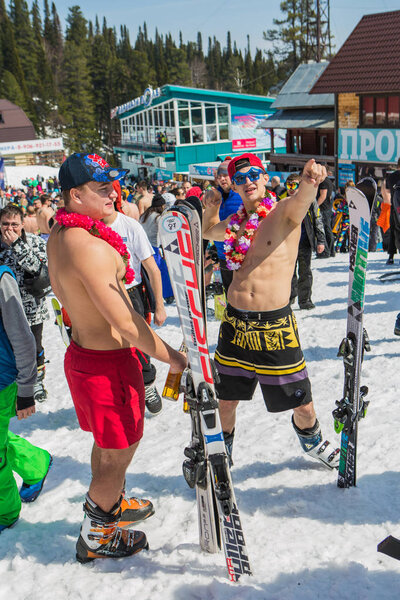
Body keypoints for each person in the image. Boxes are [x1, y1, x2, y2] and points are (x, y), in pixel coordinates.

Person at [47, 152, 186, 562]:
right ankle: (97, 535)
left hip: (88, 356)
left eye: (112, 184)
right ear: (74, 196)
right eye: (101, 188)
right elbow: (126, 322)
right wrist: (173, 358)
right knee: (120, 449)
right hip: (105, 365)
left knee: (108, 446)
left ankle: (111, 503)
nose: (113, 193)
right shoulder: (85, 245)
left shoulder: (63, 231)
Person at [203, 152, 339, 470]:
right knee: (226, 399)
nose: (247, 181)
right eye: (239, 178)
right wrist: (210, 207)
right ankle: (222, 455)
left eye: (253, 175)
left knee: (302, 404)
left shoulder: (283, 215)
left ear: (264, 177)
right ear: (234, 186)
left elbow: (302, 199)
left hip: (274, 327)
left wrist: (309, 180)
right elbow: (209, 232)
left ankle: (314, 442)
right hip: (235, 324)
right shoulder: (235, 224)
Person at [103, 185, 167, 414]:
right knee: (110, 346)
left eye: (109, 193)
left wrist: (159, 306)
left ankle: (148, 383)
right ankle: (120, 390)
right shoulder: (86, 228)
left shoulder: (130, 226)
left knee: (139, 342)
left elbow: (152, 268)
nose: (106, 198)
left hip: (131, 292)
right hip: (101, 294)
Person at [0, 264, 51, 532]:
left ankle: (5, 513)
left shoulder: (2, 278)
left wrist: (26, 389)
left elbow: (22, 336)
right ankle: (36, 463)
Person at [0, 205, 49, 402]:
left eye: (14, 224)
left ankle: (37, 380)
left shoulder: (35, 242)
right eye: (5, 224)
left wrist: (17, 246)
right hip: (5, 308)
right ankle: (12, 382)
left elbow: (41, 271)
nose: (9, 229)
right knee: (9, 347)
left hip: (32, 307)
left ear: (22, 224)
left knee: (34, 346)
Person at [202, 161, 242, 295]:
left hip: (242, 254)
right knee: (230, 294)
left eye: (225, 175)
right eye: (219, 176)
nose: (222, 179)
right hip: (222, 255)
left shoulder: (241, 193)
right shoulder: (215, 195)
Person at [287, 173, 326, 310]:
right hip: (287, 244)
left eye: (294, 185)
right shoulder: (283, 201)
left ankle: (305, 300)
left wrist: (320, 240)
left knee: (305, 272)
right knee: (288, 273)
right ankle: (289, 297)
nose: (291, 189)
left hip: (304, 241)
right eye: (289, 185)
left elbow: (317, 220)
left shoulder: (309, 201)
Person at [140, 194, 174, 304]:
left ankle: (150, 295)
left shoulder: (145, 215)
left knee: (147, 273)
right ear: (161, 206)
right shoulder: (159, 218)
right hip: (153, 248)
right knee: (161, 271)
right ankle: (168, 295)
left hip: (143, 246)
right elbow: (163, 236)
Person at [316, 168, 334, 258]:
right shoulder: (329, 181)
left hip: (323, 209)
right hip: (327, 208)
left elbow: (323, 196)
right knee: (327, 229)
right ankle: (331, 251)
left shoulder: (324, 182)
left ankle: (326, 252)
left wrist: (315, 206)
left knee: (323, 229)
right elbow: (329, 196)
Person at [385, 158, 400, 264]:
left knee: (394, 231)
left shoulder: (391, 176)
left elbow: (386, 192)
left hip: (395, 206)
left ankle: (391, 256)